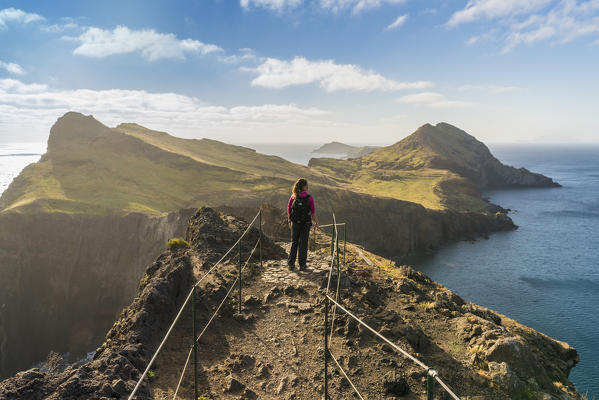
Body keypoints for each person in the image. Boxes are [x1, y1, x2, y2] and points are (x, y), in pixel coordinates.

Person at [287, 178, 318, 271]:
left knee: (294, 242)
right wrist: (316, 222)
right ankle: (302, 265)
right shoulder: (309, 198)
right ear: (304, 187)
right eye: (306, 185)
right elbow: (312, 212)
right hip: (306, 223)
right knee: (303, 244)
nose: (308, 187)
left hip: (295, 223)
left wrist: (290, 221)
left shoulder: (293, 197)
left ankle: (291, 264)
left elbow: (289, 209)